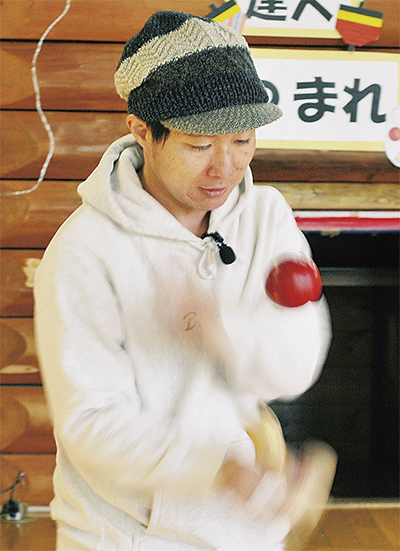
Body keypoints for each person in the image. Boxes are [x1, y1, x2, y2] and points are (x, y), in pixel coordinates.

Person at [34, 11, 333, 551]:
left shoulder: (266, 216)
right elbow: (91, 424)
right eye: (199, 145)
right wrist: (217, 470)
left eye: (242, 140)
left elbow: (294, 368)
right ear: (142, 131)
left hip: (248, 528)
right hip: (124, 537)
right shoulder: (84, 250)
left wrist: (225, 332)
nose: (225, 167)